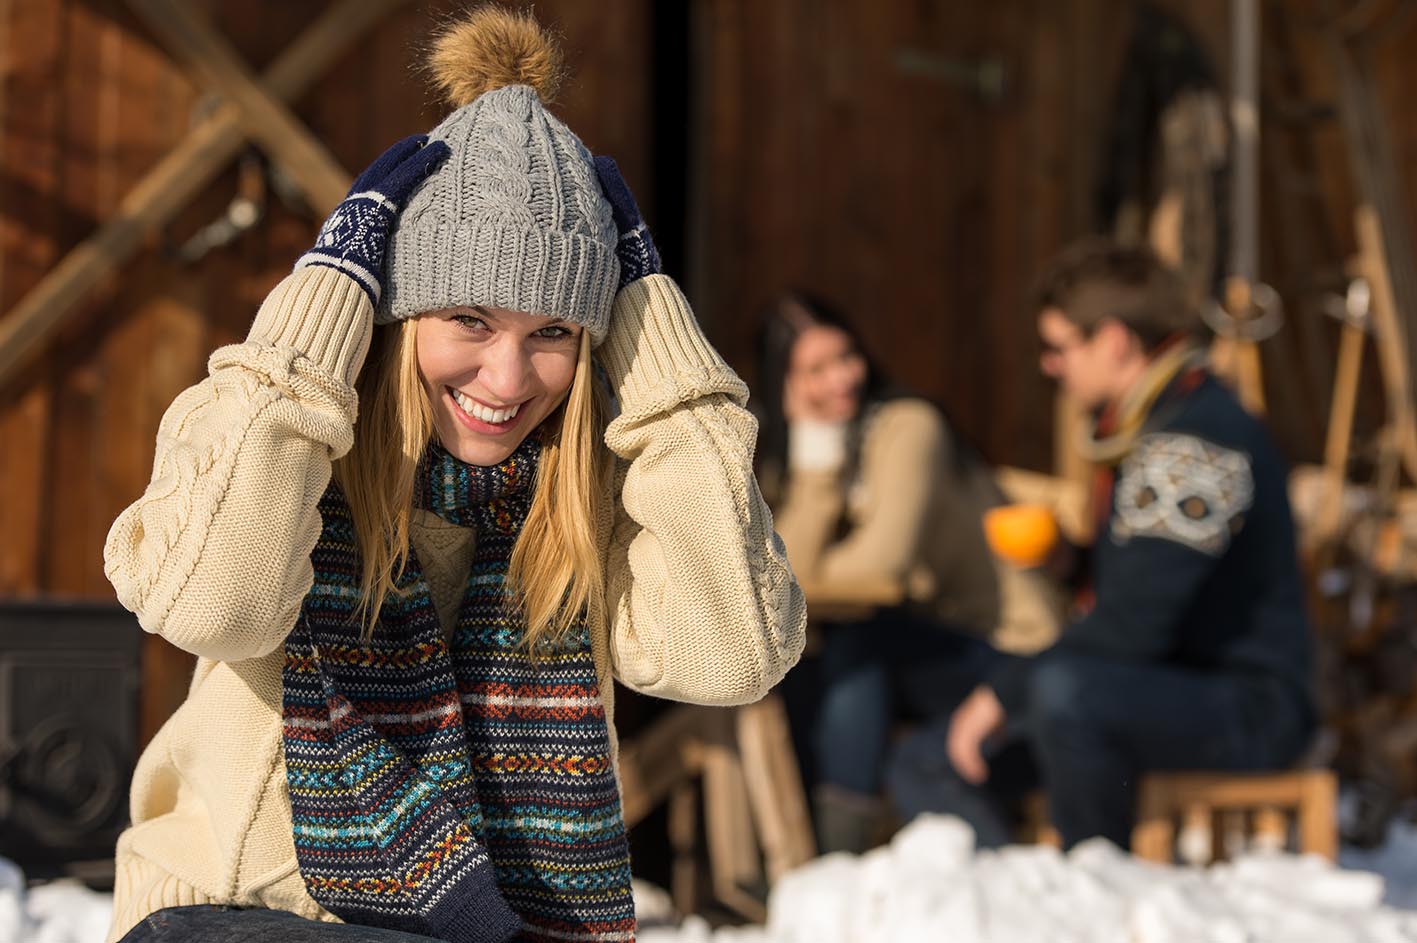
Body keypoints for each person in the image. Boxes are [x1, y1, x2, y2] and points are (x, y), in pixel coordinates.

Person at [100, 9, 806, 943]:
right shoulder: (276, 443)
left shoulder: (590, 492)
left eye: (552, 331)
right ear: (396, 318)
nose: (507, 381)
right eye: (469, 319)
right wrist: (315, 317)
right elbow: (212, 609)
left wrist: (660, 358)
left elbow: (739, 655)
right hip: (231, 922)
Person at [887, 239, 1317, 851]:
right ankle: (1023, 902)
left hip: (1245, 705)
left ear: (1114, 341)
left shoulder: (1193, 444)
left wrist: (1002, 693)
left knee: (1064, 691)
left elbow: (1133, 627)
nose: (1049, 366)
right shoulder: (1156, 424)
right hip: (1156, 688)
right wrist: (1069, 561)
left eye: (1060, 347)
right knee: (930, 757)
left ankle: (1099, 883)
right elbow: (1154, 585)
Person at [758, 292, 1062, 854]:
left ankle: (837, 850)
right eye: (815, 371)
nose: (840, 378)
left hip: (1012, 650)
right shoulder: (810, 450)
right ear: (786, 384)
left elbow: (882, 569)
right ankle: (814, 848)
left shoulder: (907, 426)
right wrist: (815, 460)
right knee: (808, 659)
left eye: (845, 357)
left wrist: (815, 564)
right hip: (930, 651)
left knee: (858, 644)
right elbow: (787, 574)